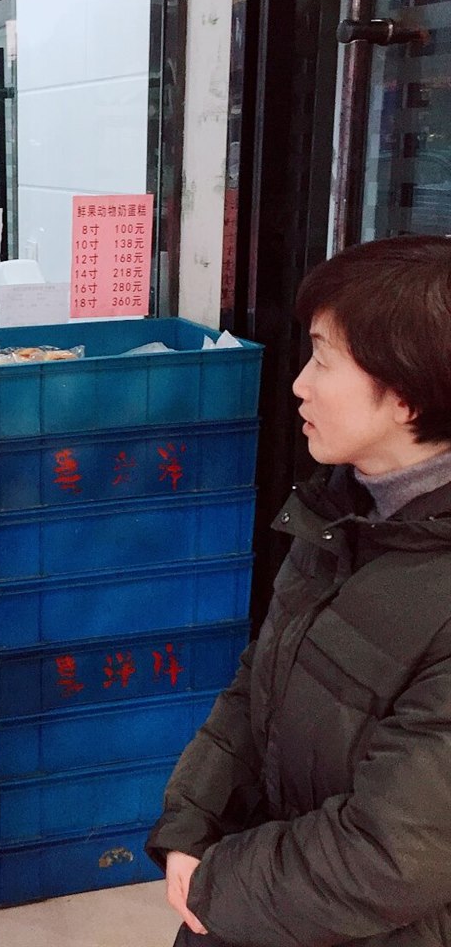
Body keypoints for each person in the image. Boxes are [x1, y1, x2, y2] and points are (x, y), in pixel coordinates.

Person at [145, 234, 451, 946]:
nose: (299, 385)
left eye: (323, 358)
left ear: (405, 396)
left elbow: (393, 855)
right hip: (264, 905)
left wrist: (217, 882)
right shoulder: (343, 512)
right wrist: (194, 819)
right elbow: (262, 683)